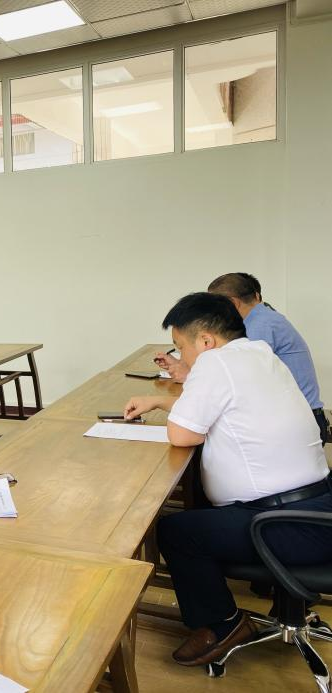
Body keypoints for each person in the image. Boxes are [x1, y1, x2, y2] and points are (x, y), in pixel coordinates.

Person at [124, 293, 332, 667]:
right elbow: (225, 407)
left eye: (181, 347)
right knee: (199, 508)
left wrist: (173, 400)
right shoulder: (259, 354)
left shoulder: (215, 363)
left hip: (286, 523)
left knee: (176, 531)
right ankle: (278, 602)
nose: (183, 357)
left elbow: (182, 435)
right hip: (317, 509)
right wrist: (158, 401)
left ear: (206, 340)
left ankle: (224, 625)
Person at [155, 272, 328, 443]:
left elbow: (231, 379)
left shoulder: (260, 324)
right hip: (293, 421)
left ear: (232, 303)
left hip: (298, 425)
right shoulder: (261, 317)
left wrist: (190, 374)